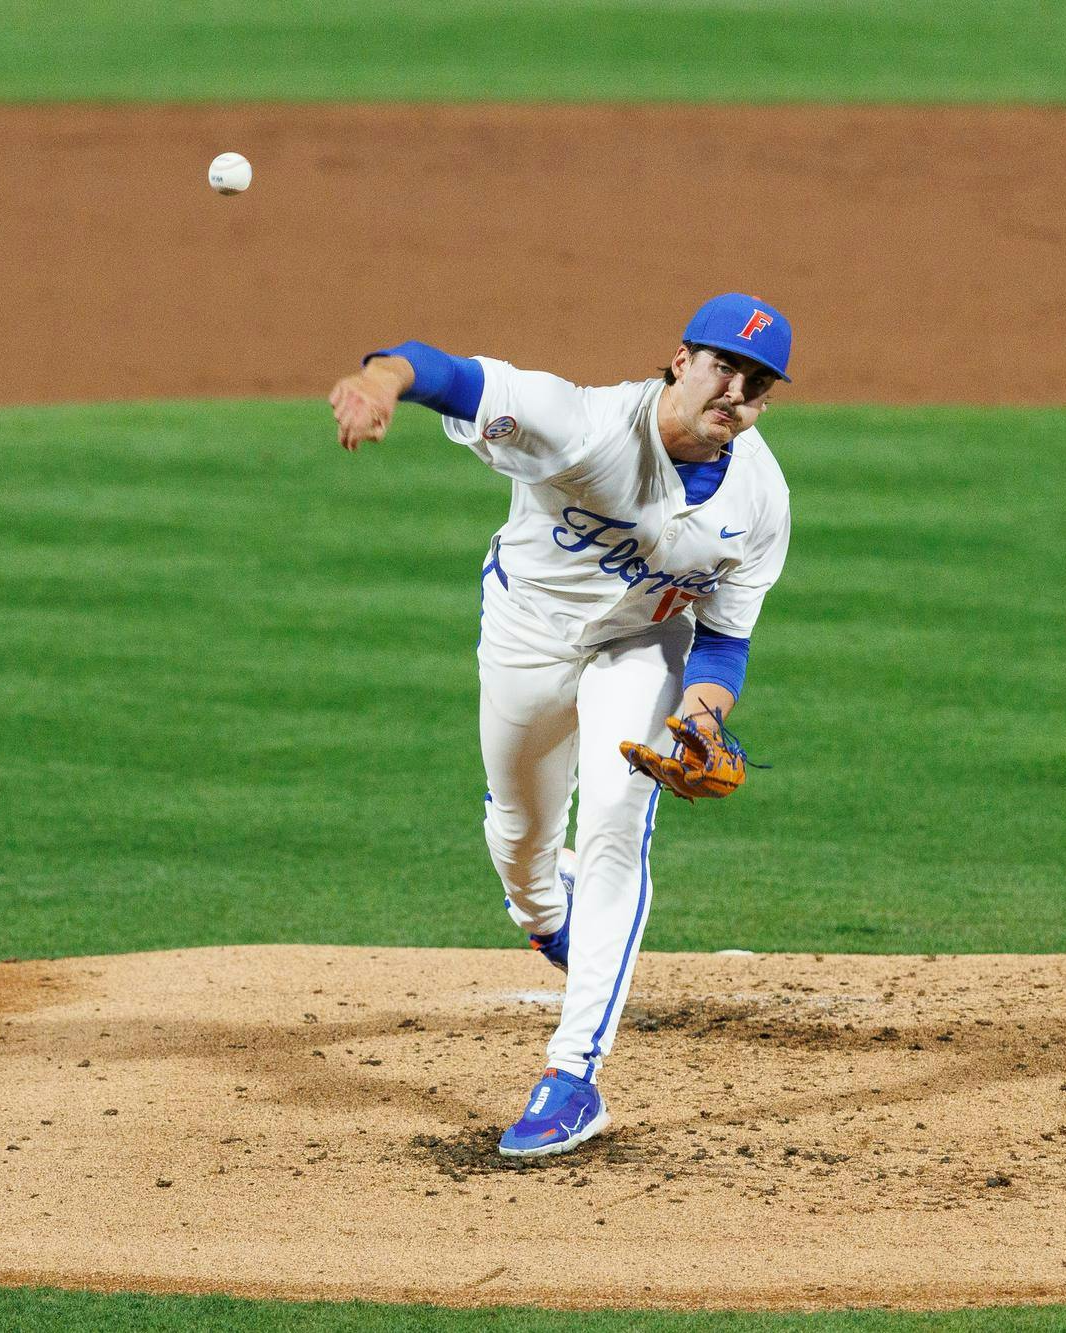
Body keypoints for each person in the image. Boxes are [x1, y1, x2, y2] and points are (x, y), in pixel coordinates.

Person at [327, 294, 795, 1157]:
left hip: (643, 643)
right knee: (520, 835)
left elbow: (725, 642)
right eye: (722, 365)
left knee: (618, 821)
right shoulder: (578, 425)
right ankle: (546, 916)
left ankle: (574, 1075)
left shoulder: (761, 499)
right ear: (680, 359)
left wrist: (699, 720)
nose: (734, 389)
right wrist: (380, 381)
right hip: (526, 634)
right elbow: (448, 374)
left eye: (756, 382)